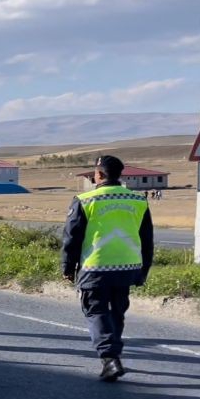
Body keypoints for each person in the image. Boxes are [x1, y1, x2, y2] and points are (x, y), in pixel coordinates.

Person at [61, 155, 153, 381]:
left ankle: (109, 358)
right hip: (127, 266)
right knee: (117, 311)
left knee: (96, 310)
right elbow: (147, 239)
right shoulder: (138, 200)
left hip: (96, 265)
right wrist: (144, 270)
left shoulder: (85, 200)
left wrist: (67, 266)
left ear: (99, 174)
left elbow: (72, 237)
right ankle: (114, 354)